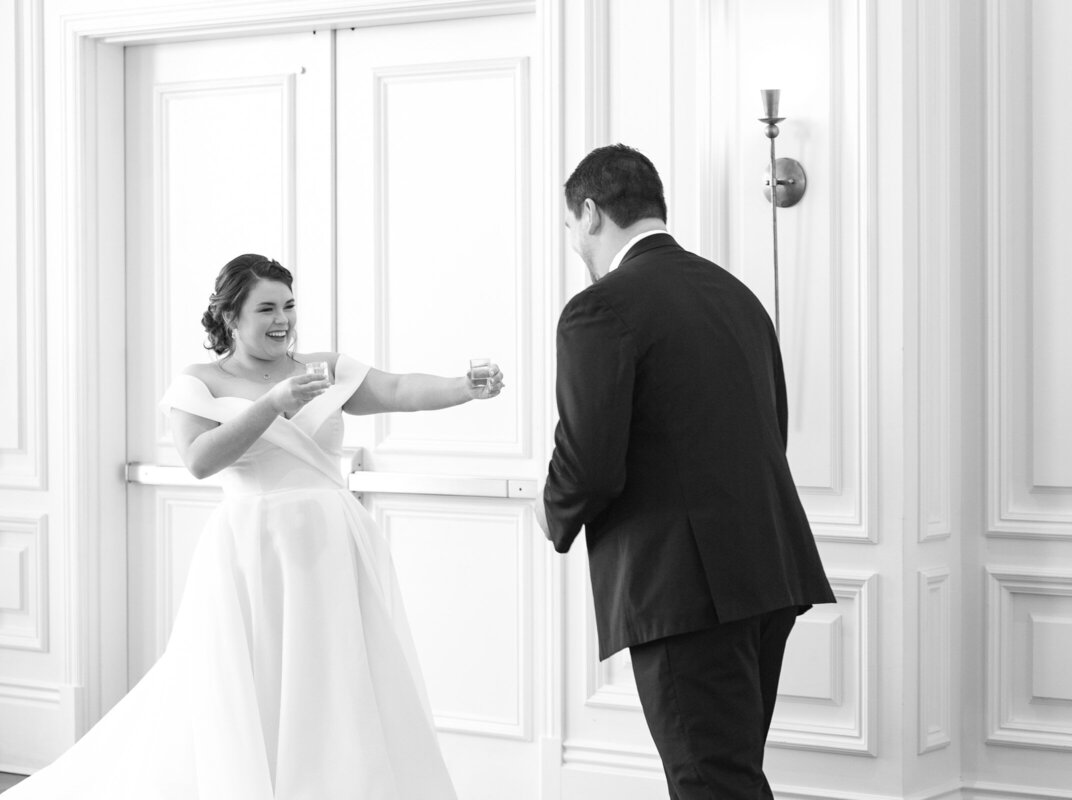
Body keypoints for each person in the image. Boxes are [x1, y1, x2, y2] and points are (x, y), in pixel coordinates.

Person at [6, 254, 502, 799]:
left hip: (331, 545)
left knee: (336, 677)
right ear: (229, 317)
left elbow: (400, 389)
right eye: (266, 307)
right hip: (254, 550)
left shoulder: (322, 368)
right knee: (255, 680)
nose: (282, 319)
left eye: (289, 305)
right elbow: (199, 459)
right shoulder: (200, 382)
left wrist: (464, 387)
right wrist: (272, 403)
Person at [535, 144, 836, 800]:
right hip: (768, 574)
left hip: (685, 592)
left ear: (589, 213)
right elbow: (771, 431)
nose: (572, 243)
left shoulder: (598, 309)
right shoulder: (737, 296)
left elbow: (589, 463)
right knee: (729, 777)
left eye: (568, 226)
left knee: (710, 785)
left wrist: (550, 508)